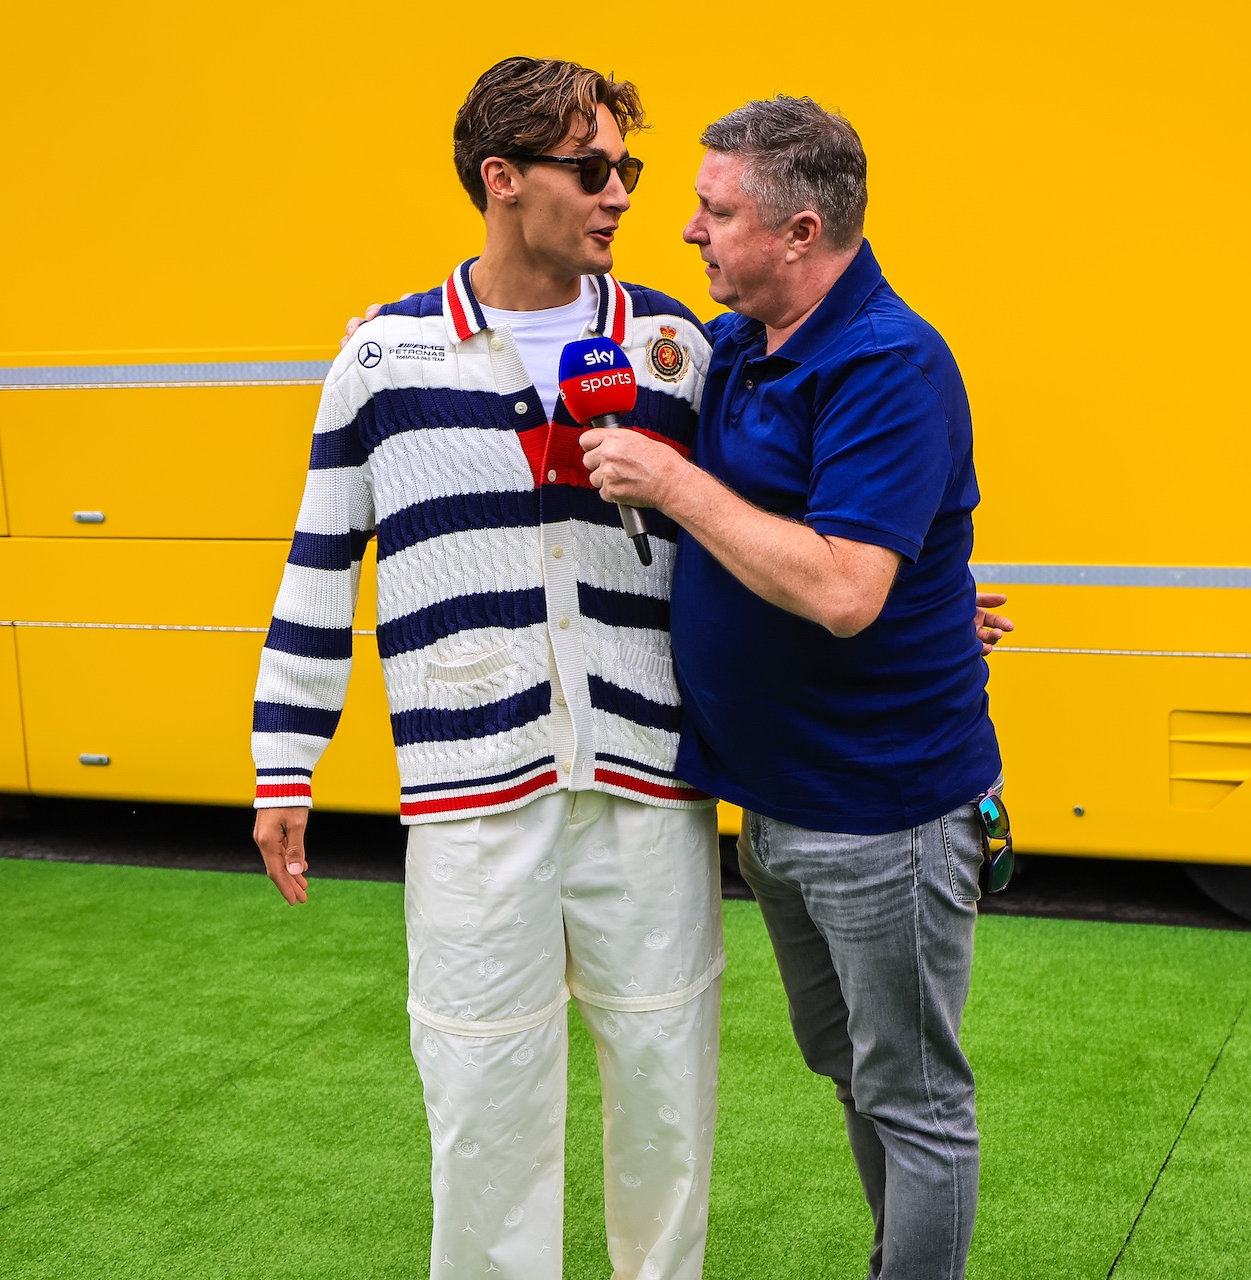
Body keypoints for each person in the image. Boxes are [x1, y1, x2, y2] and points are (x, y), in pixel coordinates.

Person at [251, 57, 725, 1280]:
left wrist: (921, 604)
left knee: (669, 1093)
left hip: (648, 785)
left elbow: (773, 512)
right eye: (592, 169)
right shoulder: (384, 360)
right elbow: (319, 563)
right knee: (483, 1094)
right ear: (501, 180)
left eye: (629, 166)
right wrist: (282, 763)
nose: (621, 193)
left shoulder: (673, 348)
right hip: (472, 792)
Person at [580, 96, 1001, 1280]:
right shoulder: (752, 342)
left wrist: (671, 482)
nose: (687, 231)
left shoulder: (888, 362)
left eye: (714, 211)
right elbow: (860, 547)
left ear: (801, 230)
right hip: (781, 806)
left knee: (914, 1095)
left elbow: (843, 590)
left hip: (884, 814)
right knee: (853, 1064)